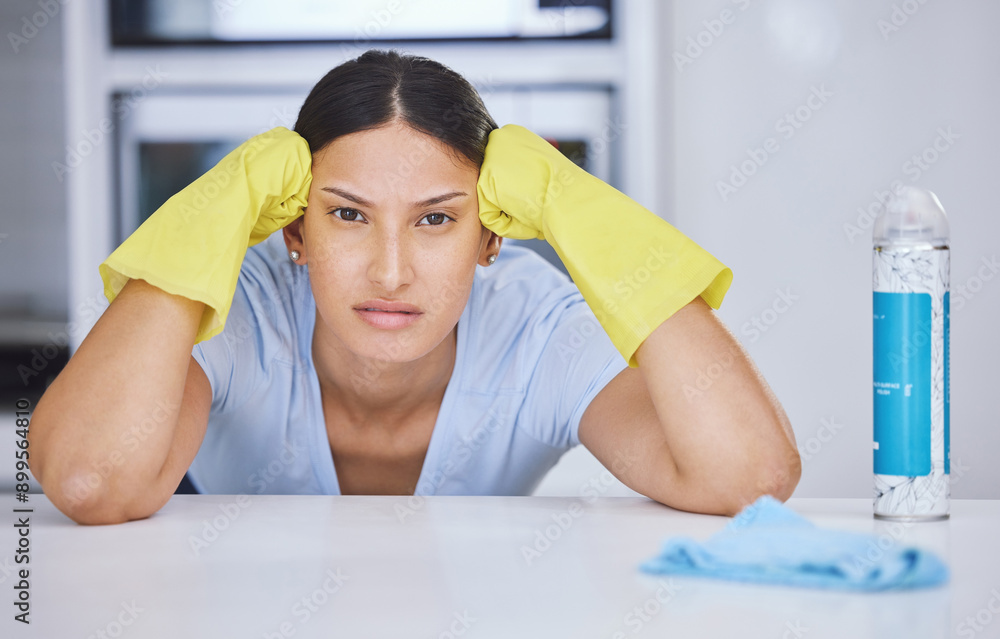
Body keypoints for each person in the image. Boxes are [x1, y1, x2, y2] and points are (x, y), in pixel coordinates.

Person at [28, 50, 800, 525]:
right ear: (294, 230)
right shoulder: (242, 308)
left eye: (435, 221)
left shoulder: (534, 326)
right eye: (346, 215)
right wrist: (217, 211)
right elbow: (92, 479)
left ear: (491, 236)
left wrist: (574, 203)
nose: (390, 271)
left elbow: (749, 477)